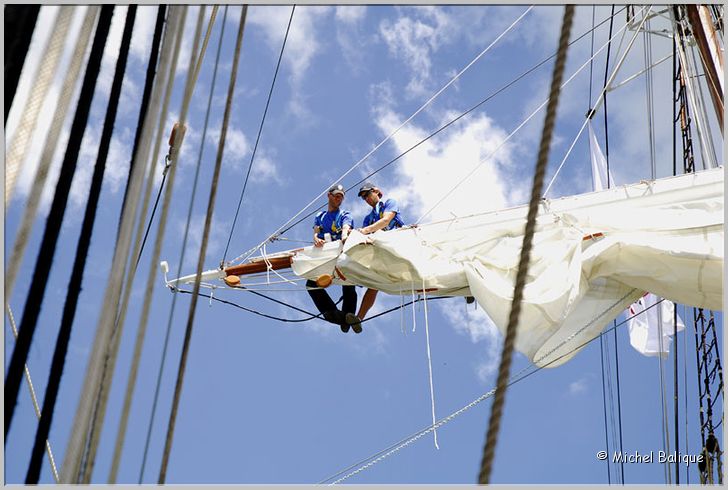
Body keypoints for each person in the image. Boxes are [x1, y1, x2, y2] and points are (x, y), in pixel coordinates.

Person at [306, 184, 362, 333]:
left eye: (341, 197)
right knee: (311, 284)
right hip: (326, 256)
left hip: (342, 253)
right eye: (336, 195)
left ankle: (348, 314)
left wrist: (345, 236)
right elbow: (316, 233)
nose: (339, 199)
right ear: (329, 195)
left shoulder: (345, 215)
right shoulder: (320, 216)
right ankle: (334, 314)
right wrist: (316, 240)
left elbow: (346, 228)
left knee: (348, 280)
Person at [355, 182, 405, 321]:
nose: (366, 199)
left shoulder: (389, 203)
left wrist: (365, 230)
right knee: (374, 283)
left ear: (376, 191)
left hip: (398, 244)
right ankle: (359, 318)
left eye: (368, 194)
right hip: (381, 252)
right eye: (364, 198)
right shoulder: (368, 218)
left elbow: (386, 221)